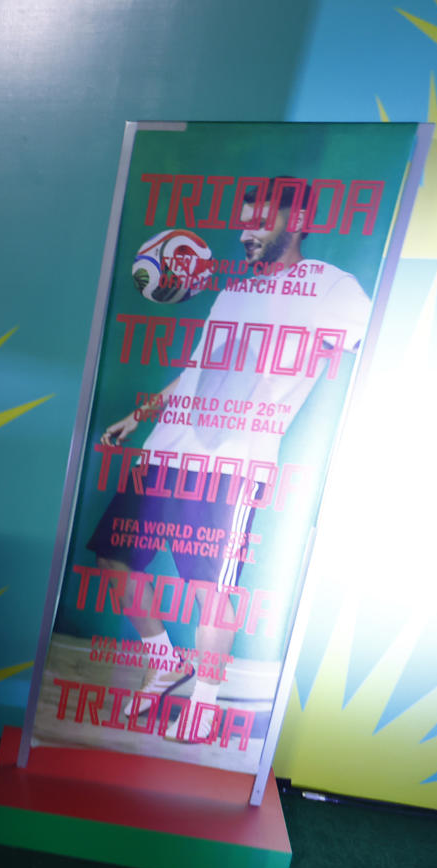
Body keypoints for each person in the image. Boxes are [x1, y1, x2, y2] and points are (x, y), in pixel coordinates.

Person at [87, 177, 371, 734]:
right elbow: (194, 372)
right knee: (114, 561)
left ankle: (206, 702)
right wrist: (140, 416)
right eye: (243, 221)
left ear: (299, 224)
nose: (246, 233)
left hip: (233, 465)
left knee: (210, 587)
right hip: (168, 448)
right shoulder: (233, 292)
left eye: (260, 221)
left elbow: (372, 339)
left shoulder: (334, 289)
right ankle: (165, 662)